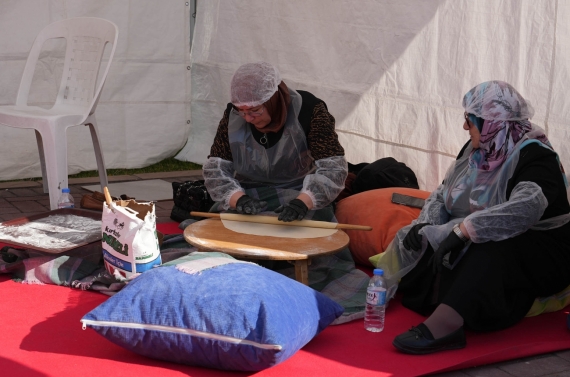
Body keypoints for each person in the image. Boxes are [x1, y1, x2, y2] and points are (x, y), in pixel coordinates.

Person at [376, 81, 570, 354]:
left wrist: (464, 231)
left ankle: (447, 326)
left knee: (491, 248)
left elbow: (523, 211)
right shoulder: (476, 149)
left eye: (470, 120)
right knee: (421, 242)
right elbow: (445, 193)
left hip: (541, 248)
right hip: (483, 234)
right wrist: (426, 226)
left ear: (492, 122)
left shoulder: (536, 156)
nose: (465, 127)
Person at [203, 61, 348, 221]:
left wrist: (302, 203)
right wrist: (238, 199)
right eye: (242, 111)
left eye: (255, 110)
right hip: (249, 193)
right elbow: (216, 170)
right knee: (223, 227)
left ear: (272, 99)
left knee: (313, 234)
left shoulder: (310, 110)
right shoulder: (233, 115)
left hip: (300, 194)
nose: (248, 118)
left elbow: (333, 169)